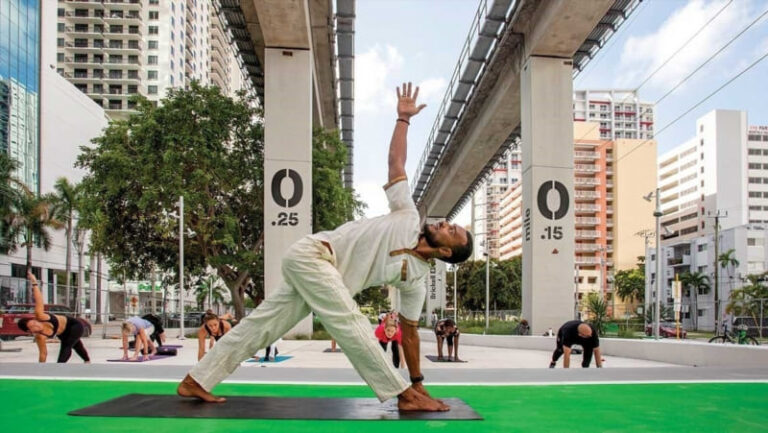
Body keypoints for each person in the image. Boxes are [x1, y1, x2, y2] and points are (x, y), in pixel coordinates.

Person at [177, 82, 473, 412]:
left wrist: (419, 381)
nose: (446, 223)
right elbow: (396, 163)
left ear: (447, 252)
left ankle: (197, 380)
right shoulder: (406, 214)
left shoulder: (416, 280)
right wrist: (403, 119)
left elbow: (410, 332)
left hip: (321, 279)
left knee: (261, 328)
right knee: (350, 320)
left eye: (452, 230)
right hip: (314, 255)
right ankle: (400, 395)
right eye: (449, 222)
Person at [17, 271, 91, 364]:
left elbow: (39, 299)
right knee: (77, 346)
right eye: (33, 327)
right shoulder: (40, 337)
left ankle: (59, 367)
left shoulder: (40, 316)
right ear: (30, 331)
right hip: (63, 333)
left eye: (35, 322)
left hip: (74, 325)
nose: (37, 325)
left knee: (66, 345)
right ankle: (87, 361)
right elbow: (43, 354)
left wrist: (34, 282)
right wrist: (40, 369)